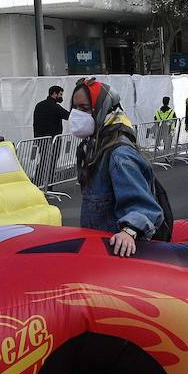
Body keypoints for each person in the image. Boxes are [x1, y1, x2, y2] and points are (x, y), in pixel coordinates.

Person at [69, 79, 164, 257]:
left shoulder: (119, 155)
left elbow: (145, 208)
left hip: (118, 257)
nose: (76, 114)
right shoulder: (96, 147)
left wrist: (129, 232)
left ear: (103, 109)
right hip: (102, 252)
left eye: (84, 108)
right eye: (75, 108)